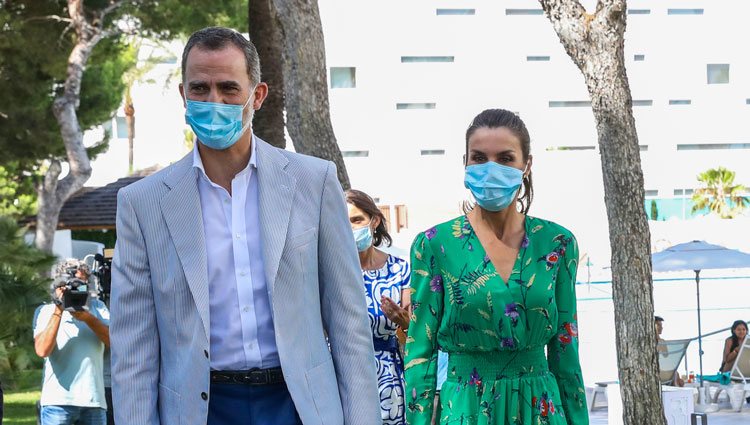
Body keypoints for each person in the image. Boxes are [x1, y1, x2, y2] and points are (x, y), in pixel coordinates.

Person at [111, 27, 380, 425]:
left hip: (298, 406)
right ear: (184, 96)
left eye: (228, 88)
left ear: (257, 95)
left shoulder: (313, 182)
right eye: (200, 88)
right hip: (200, 409)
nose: (213, 100)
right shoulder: (143, 203)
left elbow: (348, 322)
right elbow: (133, 346)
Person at [404, 109, 588, 425]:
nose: (491, 169)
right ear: (465, 162)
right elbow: (420, 352)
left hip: (540, 408)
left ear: (526, 165)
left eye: (505, 158)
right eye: (479, 158)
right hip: (466, 408)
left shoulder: (557, 244)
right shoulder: (435, 244)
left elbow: (566, 351)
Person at [346, 189, 410, 424]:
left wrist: (401, 319)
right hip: (345, 372)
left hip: (388, 376)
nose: (351, 227)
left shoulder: (399, 269)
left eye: (357, 220)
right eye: (345, 221)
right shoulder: (333, 270)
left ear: (374, 220)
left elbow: (414, 329)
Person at [33, 260, 110, 425]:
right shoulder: (46, 312)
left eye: (81, 284)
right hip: (57, 402)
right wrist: (59, 309)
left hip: (93, 402)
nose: (76, 289)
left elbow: (115, 343)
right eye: (72, 284)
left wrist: (88, 318)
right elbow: (41, 350)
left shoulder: (98, 308)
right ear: (59, 285)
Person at [655, 316, 684, 386]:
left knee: (676, 374)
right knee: (675, 375)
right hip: (656, 372)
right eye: (658, 325)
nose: (661, 327)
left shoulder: (661, 341)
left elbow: (666, 357)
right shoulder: (654, 342)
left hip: (662, 372)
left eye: (661, 325)